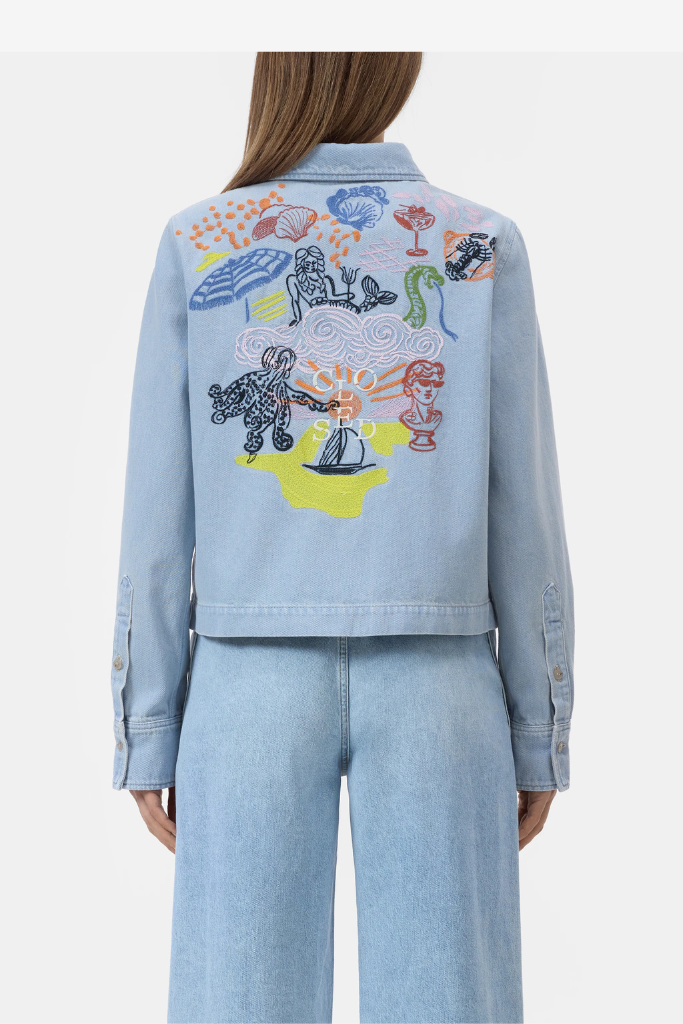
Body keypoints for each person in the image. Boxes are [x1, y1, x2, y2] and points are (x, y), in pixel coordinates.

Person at [111, 51, 573, 1024]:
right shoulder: (477, 244)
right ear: (392, 69)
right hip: (441, 681)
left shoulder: (196, 244)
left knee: (236, 1003)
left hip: (245, 681)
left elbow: (156, 520)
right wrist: (536, 728)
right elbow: (524, 513)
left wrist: (147, 725)